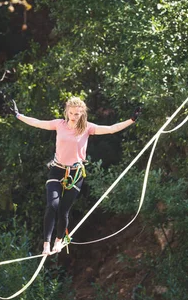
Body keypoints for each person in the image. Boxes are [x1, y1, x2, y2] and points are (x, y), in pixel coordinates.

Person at [13, 97, 141, 256]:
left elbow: (111, 128)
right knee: (52, 205)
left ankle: (58, 240)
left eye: (77, 114)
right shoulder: (59, 124)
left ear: (82, 114)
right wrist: (19, 116)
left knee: (63, 211)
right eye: (71, 113)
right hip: (57, 170)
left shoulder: (87, 128)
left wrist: (131, 120)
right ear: (67, 111)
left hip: (75, 174)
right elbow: (38, 123)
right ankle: (46, 243)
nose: (74, 116)